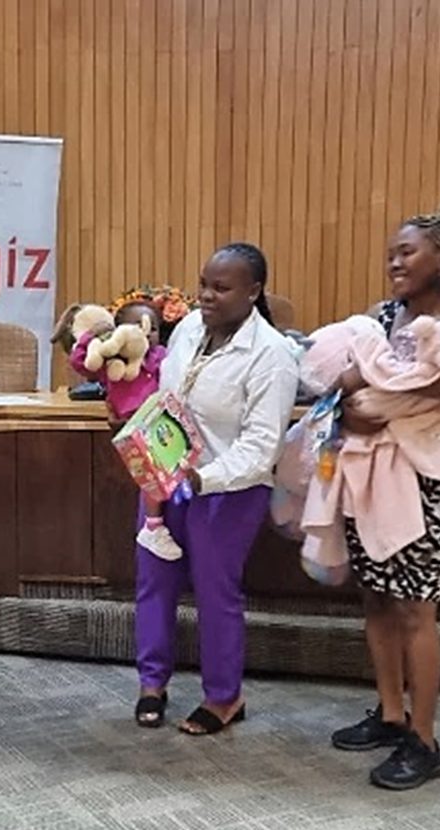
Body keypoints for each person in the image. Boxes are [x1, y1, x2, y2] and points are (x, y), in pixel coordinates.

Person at [329, 197, 440, 790]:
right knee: (376, 595)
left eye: (407, 252)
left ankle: (424, 742)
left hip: (438, 477)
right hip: (372, 469)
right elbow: (341, 385)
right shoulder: (379, 316)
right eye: (391, 254)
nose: (394, 263)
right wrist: (353, 414)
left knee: (415, 605)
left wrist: (381, 385)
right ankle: (391, 713)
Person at [133, 243, 299, 734]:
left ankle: (225, 697)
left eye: (221, 288)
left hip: (229, 490)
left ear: (253, 291)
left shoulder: (272, 355)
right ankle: (151, 684)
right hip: (164, 477)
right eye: (203, 283)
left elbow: (262, 447)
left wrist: (202, 477)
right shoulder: (187, 329)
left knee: (214, 592)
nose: (206, 295)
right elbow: (168, 395)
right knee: (153, 581)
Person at [65, 298, 181, 560]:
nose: (144, 333)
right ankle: (153, 527)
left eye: (151, 328)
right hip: (125, 428)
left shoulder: (161, 356)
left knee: (160, 477)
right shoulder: (111, 360)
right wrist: (91, 337)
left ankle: (156, 526)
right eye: (136, 327)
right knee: (145, 481)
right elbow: (80, 362)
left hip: (156, 423)